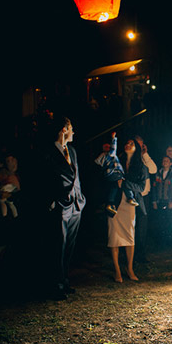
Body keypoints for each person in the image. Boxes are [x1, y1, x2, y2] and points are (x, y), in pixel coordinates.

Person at [43, 116, 86, 300]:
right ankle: (56, 284)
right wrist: (52, 200)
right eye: (71, 128)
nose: (74, 132)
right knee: (58, 246)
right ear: (63, 130)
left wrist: (81, 198)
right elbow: (44, 179)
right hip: (60, 204)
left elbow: (76, 177)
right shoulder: (48, 152)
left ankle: (65, 280)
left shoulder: (73, 151)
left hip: (76, 204)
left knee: (70, 245)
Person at [107, 137, 149, 282]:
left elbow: (141, 187)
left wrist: (125, 184)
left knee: (129, 237)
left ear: (136, 148)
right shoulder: (116, 161)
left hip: (130, 204)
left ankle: (129, 268)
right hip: (115, 202)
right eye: (126, 142)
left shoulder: (140, 166)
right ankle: (117, 270)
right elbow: (106, 176)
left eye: (131, 144)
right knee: (114, 236)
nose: (128, 145)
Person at [94, 132, 139, 217]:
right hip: (115, 174)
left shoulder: (103, 156)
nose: (128, 145)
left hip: (110, 175)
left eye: (131, 144)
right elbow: (113, 147)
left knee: (114, 187)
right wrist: (114, 138)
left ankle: (110, 203)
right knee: (122, 181)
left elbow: (97, 162)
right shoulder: (111, 154)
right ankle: (131, 197)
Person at [133, 135, 157, 263]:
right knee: (132, 226)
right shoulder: (130, 158)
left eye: (142, 145)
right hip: (132, 196)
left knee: (142, 226)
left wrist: (145, 154)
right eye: (138, 145)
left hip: (144, 197)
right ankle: (131, 255)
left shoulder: (144, 158)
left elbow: (153, 169)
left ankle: (140, 254)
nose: (140, 148)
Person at [151, 155, 172, 246]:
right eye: (163, 161)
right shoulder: (158, 173)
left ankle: (170, 242)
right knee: (160, 222)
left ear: (171, 163)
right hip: (160, 201)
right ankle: (161, 242)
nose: (165, 162)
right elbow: (154, 188)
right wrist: (154, 201)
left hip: (169, 201)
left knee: (169, 222)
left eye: (167, 161)